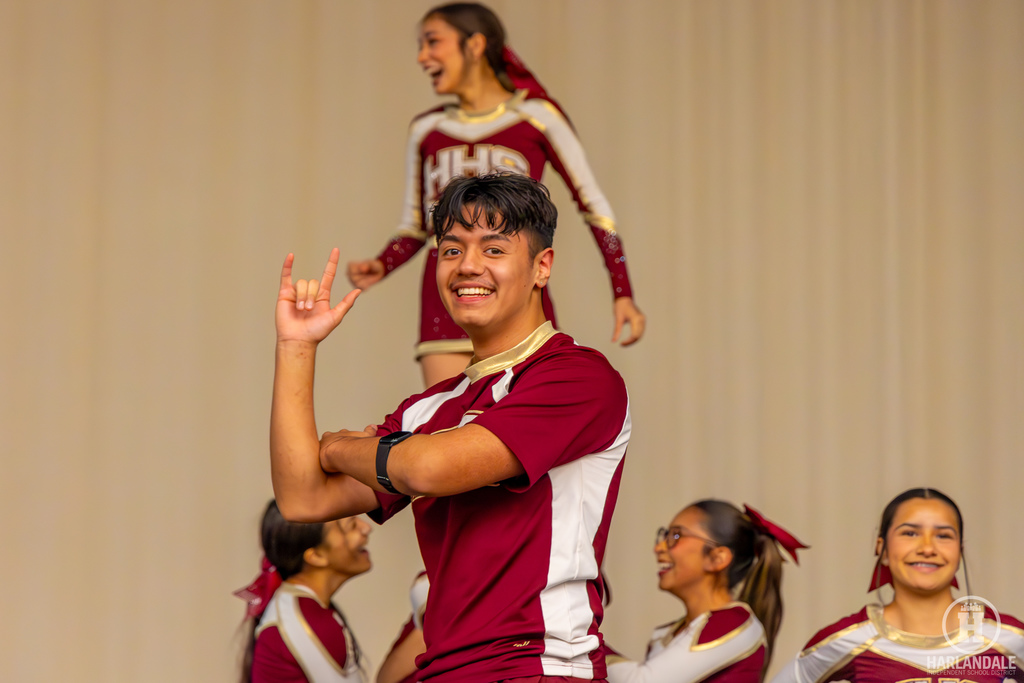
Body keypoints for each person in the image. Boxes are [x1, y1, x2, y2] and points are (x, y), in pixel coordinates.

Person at [271, 173, 631, 682]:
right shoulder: (428, 408)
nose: (468, 267)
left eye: (494, 248)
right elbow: (303, 500)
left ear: (541, 266)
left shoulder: (578, 376)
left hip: (537, 667)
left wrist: (335, 447)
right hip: (444, 669)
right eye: (451, 250)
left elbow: (428, 468)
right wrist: (296, 350)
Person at [346, 1, 645, 387]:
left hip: (516, 293)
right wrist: (382, 263)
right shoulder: (426, 129)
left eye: (433, 42)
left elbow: (594, 207)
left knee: (519, 423)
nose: (423, 57)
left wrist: (622, 291)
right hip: (447, 302)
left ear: (475, 45)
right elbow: (418, 225)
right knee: (447, 429)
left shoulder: (537, 117)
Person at [770, 488, 1024, 683]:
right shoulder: (846, 639)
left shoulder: (1007, 637)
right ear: (882, 548)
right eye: (910, 533)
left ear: (960, 550)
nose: (927, 548)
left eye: (943, 536)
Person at [605, 501, 806, 683]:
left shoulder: (732, 622)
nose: (659, 547)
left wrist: (583, 638)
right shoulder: (668, 633)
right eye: (664, 535)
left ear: (717, 558)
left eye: (676, 536)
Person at [236, 500, 372, 683]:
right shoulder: (308, 619)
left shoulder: (298, 607)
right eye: (350, 525)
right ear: (316, 556)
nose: (366, 528)